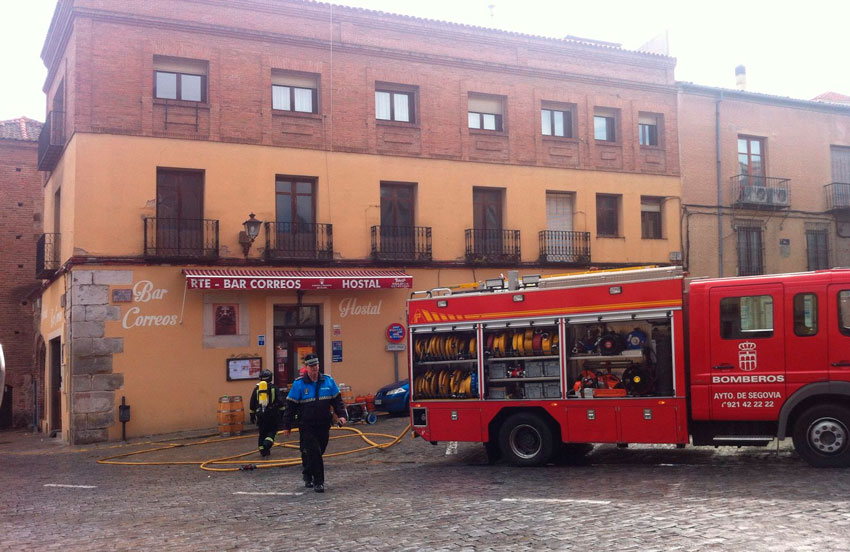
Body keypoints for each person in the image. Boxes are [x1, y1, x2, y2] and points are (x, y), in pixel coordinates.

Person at [281, 354, 346, 493]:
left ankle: (307, 473)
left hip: (323, 424)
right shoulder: (299, 384)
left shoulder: (328, 381)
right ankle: (319, 482)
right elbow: (290, 407)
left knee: (318, 450)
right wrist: (287, 425)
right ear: (306, 368)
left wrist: (342, 416)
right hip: (307, 425)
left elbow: (337, 401)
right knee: (314, 452)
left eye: (315, 365)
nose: (314, 368)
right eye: (311, 366)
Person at [249, 369, 284, 457]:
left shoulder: (256, 389)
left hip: (260, 414)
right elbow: (281, 402)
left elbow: (252, 403)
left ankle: (263, 450)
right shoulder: (274, 388)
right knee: (273, 430)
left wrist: (252, 415)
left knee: (262, 432)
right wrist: (283, 413)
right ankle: (267, 444)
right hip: (272, 414)